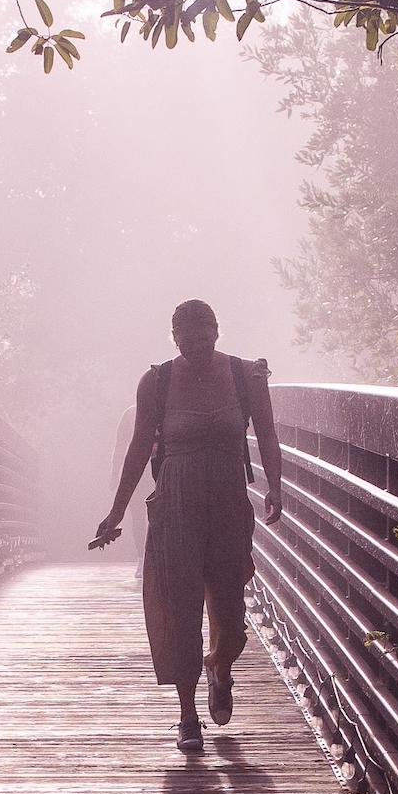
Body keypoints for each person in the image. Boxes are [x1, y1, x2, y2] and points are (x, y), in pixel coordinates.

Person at [89, 298, 286, 749]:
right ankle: (187, 715)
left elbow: (269, 435)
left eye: (204, 336)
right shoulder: (156, 382)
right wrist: (117, 510)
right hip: (176, 506)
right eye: (187, 339)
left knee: (232, 619)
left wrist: (276, 486)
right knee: (180, 611)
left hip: (227, 505)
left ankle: (220, 666)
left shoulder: (245, 376)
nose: (197, 346)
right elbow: (139, 449)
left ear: (217, 331)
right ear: (173, 338)